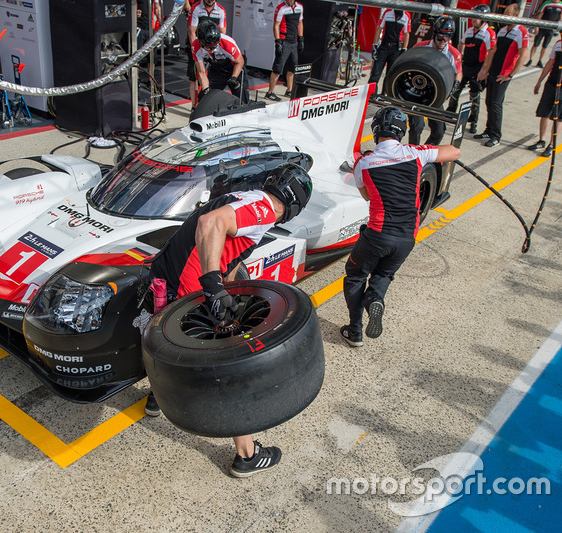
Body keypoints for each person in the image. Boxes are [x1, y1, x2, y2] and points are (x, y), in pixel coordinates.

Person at [142, 162, 313, 477]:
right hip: (192, 290)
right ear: (294, 207)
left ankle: (158, 396)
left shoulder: (244, 195)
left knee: (170, 346)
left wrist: (230, 298)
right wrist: (213, 287)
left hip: (168, 278)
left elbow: (232, 255)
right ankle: (247, 456)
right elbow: (210, 223)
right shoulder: (262, 208)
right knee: (233, 373)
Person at [341, 106, 460, 347]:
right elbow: (454, 152)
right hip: (408, 236)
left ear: (376, 131)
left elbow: (366, 196)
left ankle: (355, 331)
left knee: (355, 276)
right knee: (384, 274)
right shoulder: (415, 153)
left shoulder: (363, 163)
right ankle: (375, 298)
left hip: (378, 234)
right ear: (402, 132)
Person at [474, 2, 529, 147]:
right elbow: (493, 51)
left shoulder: (522, 31)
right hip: (494, 71)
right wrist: (486, 70)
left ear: (516, 16)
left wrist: (510, 75)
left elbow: (523, 55)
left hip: (504, 74)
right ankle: (488, 130)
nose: (505, 17)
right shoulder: (502, 30)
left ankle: (496, 136)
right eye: (504, 14)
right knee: (489, 102)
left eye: (508, 15)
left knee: (496, 104)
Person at [408, 16, 462, 146]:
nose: (443, 40)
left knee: (439, 130)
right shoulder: (420, 47)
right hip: (418, 92)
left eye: (448, 37)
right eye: (440, 37)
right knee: (417, 127)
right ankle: (412, 156)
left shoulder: (454, 54)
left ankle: (424, 153)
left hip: (436, 94)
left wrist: (455, 84)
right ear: (435, 34)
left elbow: (458, 73)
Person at [447, 4, 495, 135]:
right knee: (456, 89)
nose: (473, 19)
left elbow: (491, 52)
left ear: (483, 19)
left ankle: (473, 121)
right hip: (465, 65)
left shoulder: (489, 33)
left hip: (478, 67)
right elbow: (461, 43)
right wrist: (459, 56)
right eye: (473, 16)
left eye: (477, 17)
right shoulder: (469, 30)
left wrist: (484, 70)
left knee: (474, 95)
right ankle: (450, 112)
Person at [192, 20, 249, 104]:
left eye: (214, 46)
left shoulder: (227, 43)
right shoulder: (195, 46)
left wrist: (234, 77)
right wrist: (205, 89)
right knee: (206, 97)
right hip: (217, 69)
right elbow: (201, 72)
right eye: (208, 48)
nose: (212, 50)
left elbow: (240, 61)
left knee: (241, 97)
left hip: (234, 67)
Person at [528, 37, 562, 158]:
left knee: (558, 117)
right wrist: (539, 81)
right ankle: (541, 140)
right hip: (551, 83)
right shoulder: (559, 44)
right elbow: (550, 63)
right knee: (544, 113)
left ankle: (551, 145)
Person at [186, 0, 226, 106]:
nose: (210, 1)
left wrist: (215, 50)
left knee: (211, 75)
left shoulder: (221, 10)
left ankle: (207, 104)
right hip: (197, 47)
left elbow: (222, 33)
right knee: (194, 76)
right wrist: (196, 49)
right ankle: (194, 106)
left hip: (213, 48)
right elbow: (191, 31)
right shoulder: (196, 8)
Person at [264, 1, 304, 101]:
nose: (288, 1)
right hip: (284, 41)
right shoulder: (281, 8)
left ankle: (289, 90)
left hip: (294, 42)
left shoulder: (300, 7)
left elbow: (300, 23)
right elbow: (276, 25)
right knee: (278, 68)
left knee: (293, 67)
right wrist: (278, 42)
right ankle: (270, 92)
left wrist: (301, 38)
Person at [367, 8, 411, 94]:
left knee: (390, 74)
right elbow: (379, 28)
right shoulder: (387, 12)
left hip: (396, 49)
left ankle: (384, 94)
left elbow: (406, 34)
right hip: (384, 46)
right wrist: (375, 45)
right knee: (375, 72)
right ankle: (371, 94)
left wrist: (404, 49)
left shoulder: (407, 15)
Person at [524, 0, 562, 68]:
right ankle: (530, 59)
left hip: (551, 29)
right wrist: (537, 27)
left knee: (545, 46)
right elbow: (539, 16)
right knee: (536, 44)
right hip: (542, 27)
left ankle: (540, 60)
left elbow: (561, 16)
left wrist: (559, 26)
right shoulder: (546, 3)